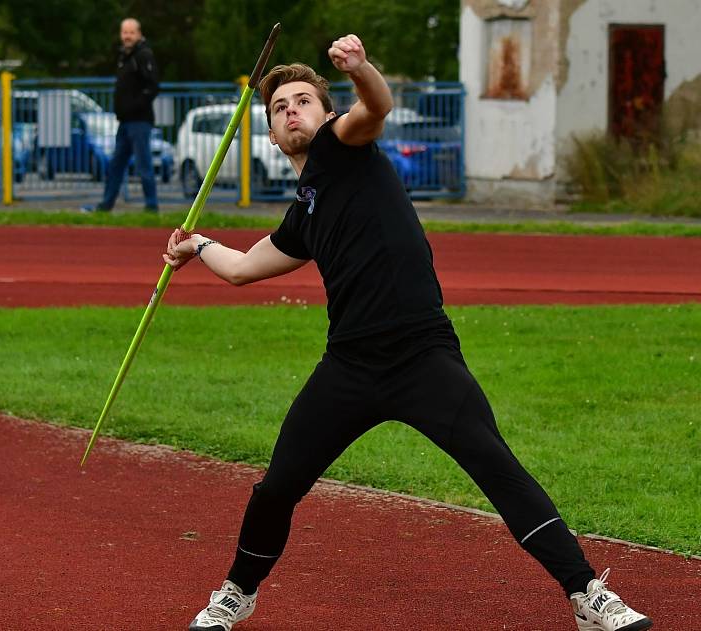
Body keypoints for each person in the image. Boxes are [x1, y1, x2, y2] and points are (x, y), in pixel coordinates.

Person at [164, 34, 653, 631]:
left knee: (496, 467)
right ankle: (236, 595)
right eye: (279, 107)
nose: (291, 110)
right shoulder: (306, 212)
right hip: (350, 366)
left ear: (326, 114)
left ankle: (588, 596)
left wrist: (359, 67)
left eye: (303, 101)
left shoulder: (345, 144)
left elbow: (377, 106)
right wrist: (200, 246)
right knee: (278, 486)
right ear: (270, 134)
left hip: (421, 354)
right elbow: (241, 269)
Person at [82, 18, 159, 213]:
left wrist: (134, 106)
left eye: (131, 32)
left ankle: (152, 206)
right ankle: (106, 205)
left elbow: (153, 87)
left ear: (139, 34)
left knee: (143, 166)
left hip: (140, 122)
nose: (127, 36)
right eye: (124, 32)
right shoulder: (124, 57)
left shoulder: (143, 55)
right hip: (125, 122)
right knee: (116, 165)